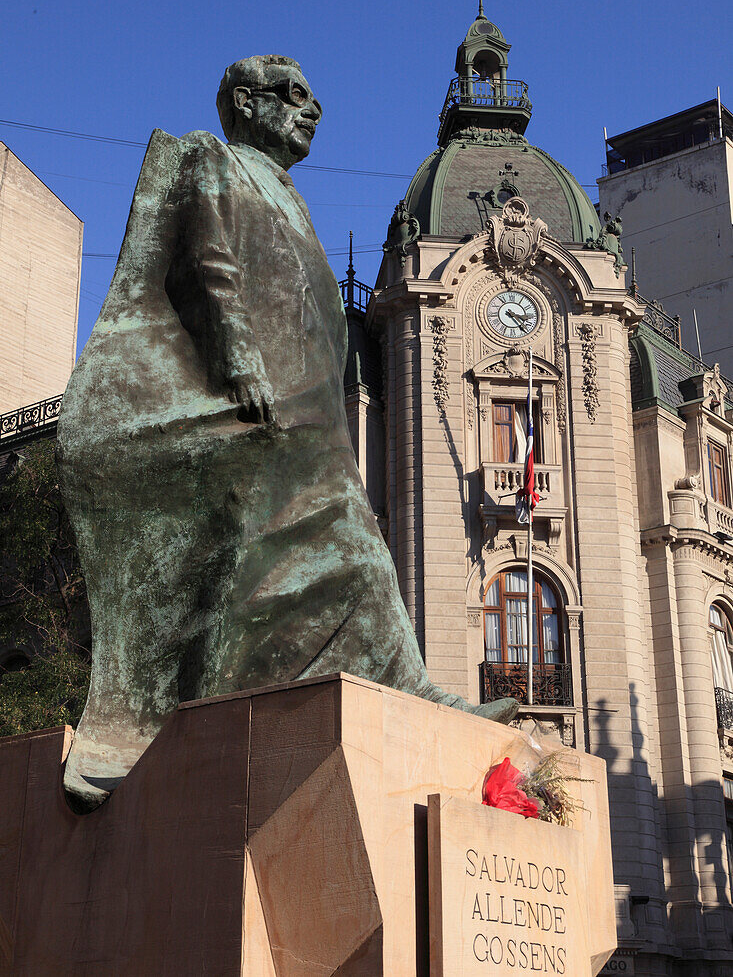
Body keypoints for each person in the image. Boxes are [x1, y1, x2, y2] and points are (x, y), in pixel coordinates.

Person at [58, 55, 517, 810]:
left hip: (307, 407)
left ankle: (377, 684)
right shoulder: (212, 160)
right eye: (294, 97)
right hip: (251, 399)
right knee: (331, 541)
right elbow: (208, 265)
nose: (314, 111)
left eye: (312, 100)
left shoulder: (291, 192)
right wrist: (238, 360)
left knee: (306, 553)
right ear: (245, 101)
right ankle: (387, 686)